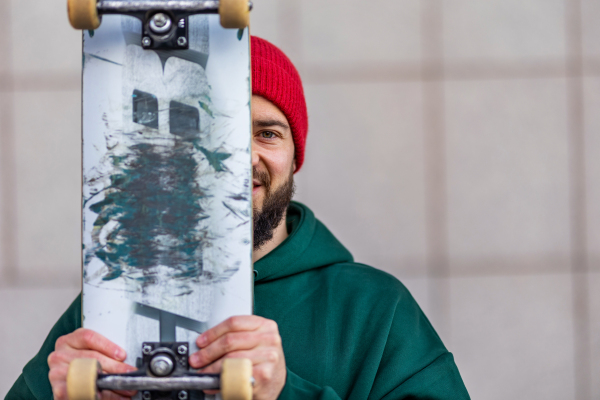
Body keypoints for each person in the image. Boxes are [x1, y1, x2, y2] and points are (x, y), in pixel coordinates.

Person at [6, 36, 470, 400]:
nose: (238, 157)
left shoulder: (372, 308)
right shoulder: (114, 299)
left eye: (266, 132)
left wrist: (284, 396)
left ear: (294, 156)